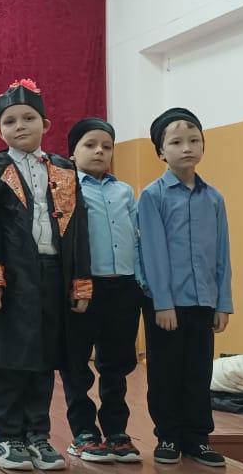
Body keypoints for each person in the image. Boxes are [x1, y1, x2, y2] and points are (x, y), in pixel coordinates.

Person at [0, 79, 91, 471]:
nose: (19, 126)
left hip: (54, 275)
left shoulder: (65, 169)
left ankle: (38, 434)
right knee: (10, 359)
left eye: (28, 118)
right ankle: (5, 437)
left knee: (45, 358)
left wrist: (80, 283)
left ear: (46, 124)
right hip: (11, 277)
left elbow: (78, 228)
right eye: (10, 121)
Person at [137, 107, 233, 468]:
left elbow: (222, 253)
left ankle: (198, 438)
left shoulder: (214, 198)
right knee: (165, 371)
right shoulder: (153, 196)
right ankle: (168, 435)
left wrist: (223, 302)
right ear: (161, 151)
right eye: (176, 142)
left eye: (194, 140)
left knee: (198, 372)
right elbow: (152, 253)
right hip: (166, 303)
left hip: (203, 300)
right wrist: (163, 302)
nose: (187, 148)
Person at [59, 118, 143, 464]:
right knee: (76, 361)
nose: (99, 152)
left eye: (106, 147)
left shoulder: (124, 191)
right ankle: (84, 432)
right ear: (72, 152)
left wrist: (139, 280)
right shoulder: (65, 189)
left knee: (117, 363)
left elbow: (136, 238)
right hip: (84, 287)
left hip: (123, 287)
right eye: (90, 145)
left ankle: (117, 431)